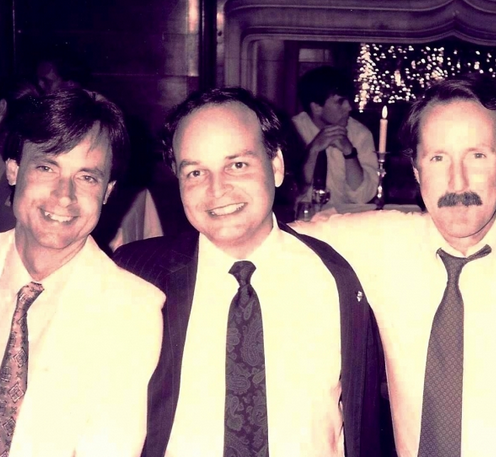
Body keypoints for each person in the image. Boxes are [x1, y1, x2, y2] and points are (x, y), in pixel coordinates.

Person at [113, 87, 389, 457]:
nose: (217, 189)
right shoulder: (134, 275)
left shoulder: (342, 274)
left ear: (275, 166)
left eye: (238, 164)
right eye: (195, 172)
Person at [293, 74, 496, 456]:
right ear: (416, 170)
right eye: (437, 158)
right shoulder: (381, 243)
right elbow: (270, 237)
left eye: (477, 156)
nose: (457, 181)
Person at [0, 88, 165, 456]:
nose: (64, 195)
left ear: (107, 192)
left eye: (86, 177)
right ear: (13, 170)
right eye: (46, 167)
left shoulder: (132, 312)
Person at [292, 66, 378, 211]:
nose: (349, 107)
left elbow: (363, 197)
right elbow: (292, 193)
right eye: (340, 102)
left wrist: (349, 152)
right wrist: (313, 150)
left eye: (349, 100)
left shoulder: (360, 134)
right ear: (317, 108)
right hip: (302, 220)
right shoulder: (292, 131)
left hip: (345, 221)